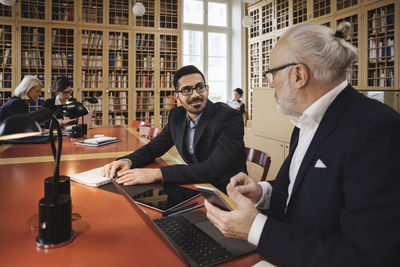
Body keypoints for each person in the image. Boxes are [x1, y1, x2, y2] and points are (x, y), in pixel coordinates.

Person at [204, 22, 400, 267]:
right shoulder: (304, 121)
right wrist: (263, 192)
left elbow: (368, 257)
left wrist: (256, 228)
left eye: (271, 74)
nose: (270, 83)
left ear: (298, 75)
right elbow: (311, 188)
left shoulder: (376, 130)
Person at [102, 65, 247, 192]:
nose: (196, 94)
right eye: (187, 90)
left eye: (200, 87)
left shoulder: (229, 117)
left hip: (228, 192)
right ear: (177, 97)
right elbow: (154, 148)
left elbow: (213, 168)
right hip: (196, 185)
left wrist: (157, 174)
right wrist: (128, 161)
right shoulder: (176, 115)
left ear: (207, 89)